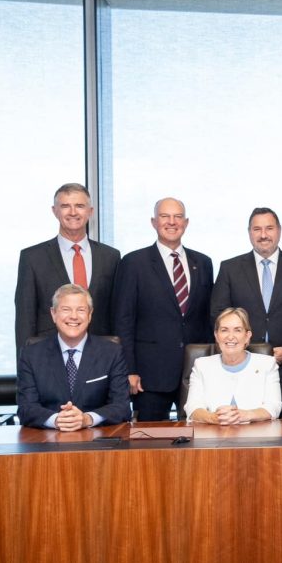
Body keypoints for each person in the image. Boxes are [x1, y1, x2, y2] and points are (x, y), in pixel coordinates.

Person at [211, 207, 282, 418]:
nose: (263, 235)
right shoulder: (230, 269)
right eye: (257, 229)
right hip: (242, 368)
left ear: (279, 231)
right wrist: (243, 350)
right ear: (249, 232)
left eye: (269, 228)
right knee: (244, 428)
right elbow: (219, 313)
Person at [112, 197, 214, 421]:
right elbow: (123, 320)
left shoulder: (203, 263)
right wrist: (129, 370)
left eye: (178, 217)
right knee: (150, 442)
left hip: (195, 371)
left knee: (199, 439)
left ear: (186, 223)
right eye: (165, 216)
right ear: (153, 222)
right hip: (149, 375)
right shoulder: (134, 263)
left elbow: (208, 318)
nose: (172, 222)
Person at [15, 183, 121, 357]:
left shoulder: (111, 257)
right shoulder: (32, 258)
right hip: (48, 358)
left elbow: (117, 314)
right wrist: (24, 370)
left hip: (100, 358)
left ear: (90, 211)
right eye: (65, 206)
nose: (73, 212)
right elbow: (24, 320)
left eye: (79, 206)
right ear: (55, 211)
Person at [16, 284, 131, 429]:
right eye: (66, 309)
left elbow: (122, 407)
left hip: (98, 441)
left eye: (81, 310)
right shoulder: (31, 355)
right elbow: (25, 408)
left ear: (90, 315)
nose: (74, 316)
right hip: (46, 442)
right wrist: (57, 420)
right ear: (53, 314)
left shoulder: (112, 352)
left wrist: (87, 419)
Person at [184, 307, 282, 423]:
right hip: (212, 435)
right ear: (216, 335)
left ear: (247, 336)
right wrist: (214, 418)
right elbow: (192, 407)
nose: (230, 336)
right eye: (224, 330)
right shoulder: (201, 365)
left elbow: (274, 406)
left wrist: (244, 415)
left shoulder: (267, 364)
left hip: (256, 436)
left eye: (237, 330)